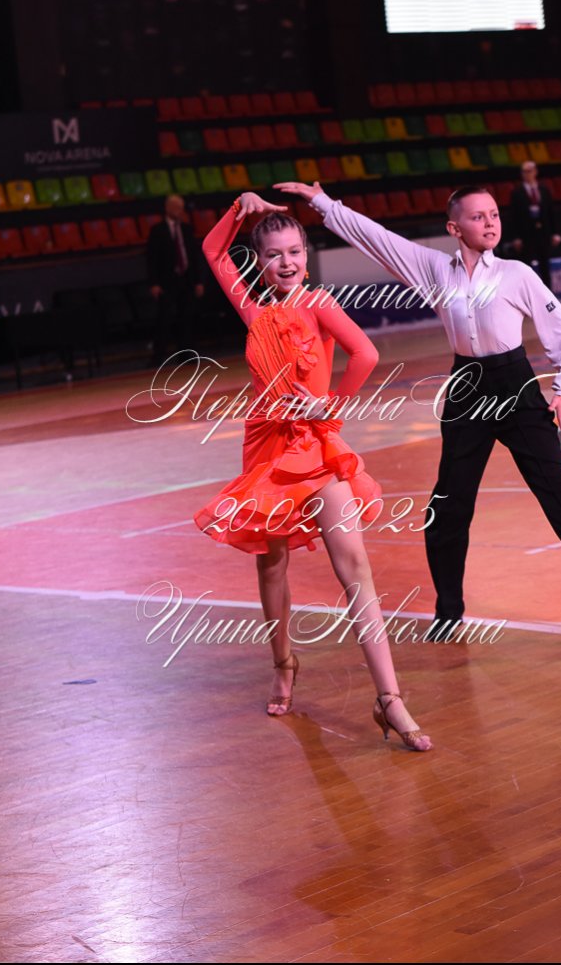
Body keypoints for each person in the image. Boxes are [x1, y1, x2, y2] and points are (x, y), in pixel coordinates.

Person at [274, 179, 561, 647]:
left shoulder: (516, 273)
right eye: (478, 217)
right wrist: (321, 203)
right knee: (447, 508)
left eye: (494, 214)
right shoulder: (435, 269)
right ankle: (449, 611)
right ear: (454, 228)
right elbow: (378, 239)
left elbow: (560, 325)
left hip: (517, 389)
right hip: (466, 392)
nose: (490, 223)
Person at [192, 192, 433, 750]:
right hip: (266, 449)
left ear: (307, 254)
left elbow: (365, 354)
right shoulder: (253, 310)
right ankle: (284, 663)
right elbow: (212, 250)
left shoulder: (318, 302)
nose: (286, 262)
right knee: (271, 565)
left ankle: (390, 698)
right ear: (259, 261)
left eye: (295, 251)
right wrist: (242, 209)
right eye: (274, 254)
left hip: (315, 447)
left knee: (355, 566)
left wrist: (331, 406)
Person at [146, 194, 205, 366]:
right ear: (167, 208)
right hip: (167, 281)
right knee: (164, 318)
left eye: (181, 207)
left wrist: (198, 281)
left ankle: (186, 354)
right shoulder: (157, 230)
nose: (178, 211)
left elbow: (194, 257)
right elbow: (152, 259)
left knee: (186, 317)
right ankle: (158, 356)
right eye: (175, 207)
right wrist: (154, 283)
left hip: (186, 279)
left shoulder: (186, 229)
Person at [509, 161, 561, 288]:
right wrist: (516, 237)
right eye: (524, 172)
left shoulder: (544, 190)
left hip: (543, 233)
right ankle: (527, 294)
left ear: (535, 172)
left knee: (545, 266)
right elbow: (514, 216)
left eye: (530, 171)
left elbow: (551, 212)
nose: (527, 174)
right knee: (526, 267)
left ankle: (548, 294)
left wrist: (555, 233)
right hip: (526, 235)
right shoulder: (517, 192)